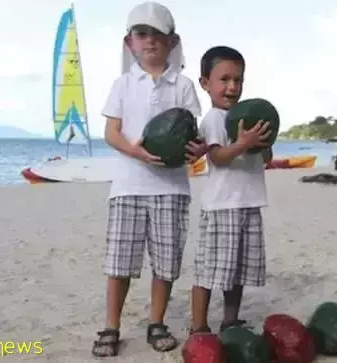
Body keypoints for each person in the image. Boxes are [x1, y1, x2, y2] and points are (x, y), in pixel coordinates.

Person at [92, 2, 207, 357]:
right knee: (119, 263)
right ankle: (111, 325)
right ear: (130, 43)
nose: (150, 41)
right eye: (142, 34)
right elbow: (111, 132)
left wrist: (196, 151)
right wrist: (136, 152)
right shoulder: (123, 84)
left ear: (173, 42)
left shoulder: (184, 86)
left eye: (158, 34)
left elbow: (193, 134)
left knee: (165, 262)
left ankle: (156, 322)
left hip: (171, 188)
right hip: (128, 187)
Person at [189, 45, 273, 334]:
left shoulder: (246, 118)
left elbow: (266, 159)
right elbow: (217, 157)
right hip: (221, 206)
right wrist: (243, 143)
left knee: (237, 272)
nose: (232, 87)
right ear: (205, 84)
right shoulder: (214, 118)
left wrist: (264, 142)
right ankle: (199, 326)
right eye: (224, 79)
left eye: (238, 80)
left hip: (249, 203)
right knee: (209, 270)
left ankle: (230, 320)